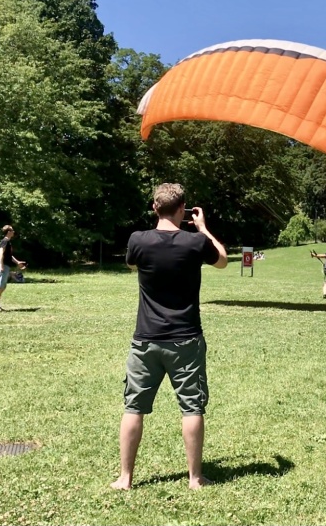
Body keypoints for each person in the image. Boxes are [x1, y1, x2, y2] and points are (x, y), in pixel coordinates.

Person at [111, 183, 228, 491]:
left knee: (133, 406)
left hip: (145, 340)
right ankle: (194, 478)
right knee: (192, 407)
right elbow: (223, 259)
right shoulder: (194, 242)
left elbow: (132, 263)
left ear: (154, 207)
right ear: (183, 209)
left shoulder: (138, 240)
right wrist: (203, 229)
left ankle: (125, 478)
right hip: (186, 339)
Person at [0, 225, 26, 311]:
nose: (14, 232)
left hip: (6, 266)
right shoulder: (4, 241)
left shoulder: (8, 242)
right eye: (12, 230)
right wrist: (2, 265)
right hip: (3, 265)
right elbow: (0, 253)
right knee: (0, 287)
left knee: (2, 286)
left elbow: (9, 256)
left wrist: (18, 262)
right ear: (8, 232)